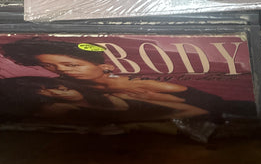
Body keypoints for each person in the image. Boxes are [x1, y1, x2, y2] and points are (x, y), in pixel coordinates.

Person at [0, 38, 216, 119]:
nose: (63, 71)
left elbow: (203, 106)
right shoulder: (60, 87)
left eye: (72, 65)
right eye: (51, 66)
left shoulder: (144, 85)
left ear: (105, 66)